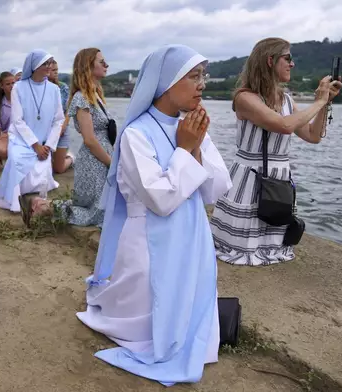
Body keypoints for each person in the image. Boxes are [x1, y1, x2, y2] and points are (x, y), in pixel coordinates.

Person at [76, 45, 232, 386]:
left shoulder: (191, 125)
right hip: (148, 236)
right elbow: (159, 199)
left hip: (192, 232)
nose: (202, 84)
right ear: (166, 82)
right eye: (193, 76)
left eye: (202, 76)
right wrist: (185, 148)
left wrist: (195, 146)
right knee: (150, 311)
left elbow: (216, 189)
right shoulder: (136, 134)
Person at [210, 37, 342, 266]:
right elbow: (283, 125)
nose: (292, 64)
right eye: (288, 58)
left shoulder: (288, 101)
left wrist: (326, 103)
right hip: (252, 176)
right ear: (270, 61)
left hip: (278, 177)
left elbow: (313, 136)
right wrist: (319, 102)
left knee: (271, 248)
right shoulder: (245, 98)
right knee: (243, 250)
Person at [19, 48, 112, 227]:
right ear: (88, 66)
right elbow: (90, 140)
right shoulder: (82, 98)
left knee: (102, 209)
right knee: (96, 214)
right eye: (101, 61)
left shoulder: (95, 95)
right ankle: (40, 206)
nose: (106, 65)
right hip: (94, 162)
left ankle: (41, 204)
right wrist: (111, 162)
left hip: (102, 157)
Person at [0, 49, 64, 213]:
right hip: (21, 140)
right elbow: (17, 120)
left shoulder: (54, 90)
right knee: (17, 159)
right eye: (45, 63)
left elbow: (59, 119)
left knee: (43, 163)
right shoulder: (19, 88)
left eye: (50, 63)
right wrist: (35, 145)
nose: (49, 66)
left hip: (44, 142)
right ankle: (15, 201)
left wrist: (49, 145)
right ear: (34, 66)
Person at [47, 59, 74, 174]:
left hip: (61, 128)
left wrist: (63, 126)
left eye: (57, 70)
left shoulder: (63, 87)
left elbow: (69, 110)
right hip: (46, 130)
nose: (56, 72)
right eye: (53, 70)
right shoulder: (41, 88)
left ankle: (71, 158)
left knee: (58, 169)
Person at [0, 71, 15, 170]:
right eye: (8, 84)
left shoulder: (23, 100)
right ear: (1, 86)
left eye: (13, 83)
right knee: (1, 150)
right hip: (7, 135)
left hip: (23, 135)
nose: (12, 86)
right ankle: (10, 160)